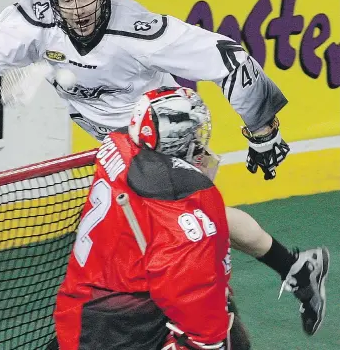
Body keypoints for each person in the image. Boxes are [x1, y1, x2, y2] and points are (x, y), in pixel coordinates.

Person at [0, 0, 328, 335]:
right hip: (112, 140)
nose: (77, 8)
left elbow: (229, 59)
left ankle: (207, 313)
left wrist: (263, 132)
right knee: (188, 220)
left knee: (178, 228)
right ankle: (294, 268)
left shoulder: (139, 30)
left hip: (162, 133)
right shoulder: (34, 21)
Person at [53, 86, 327, 349]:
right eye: (193, 134)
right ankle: (296, 267)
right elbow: (198, 315)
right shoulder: (180, 203)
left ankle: (294, 266)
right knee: (221, 324)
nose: (199, 141)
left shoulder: (118, 142)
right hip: (111, 320)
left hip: (94, 292)